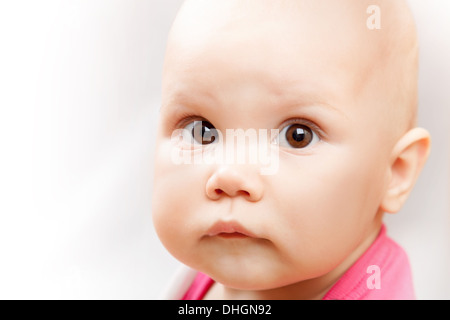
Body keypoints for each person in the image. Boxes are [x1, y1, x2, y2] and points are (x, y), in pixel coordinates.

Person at [151, 0, 431, 299]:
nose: (230, 175)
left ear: (395, 172)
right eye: (201, 130)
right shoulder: (201, 275)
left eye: (298, 136)